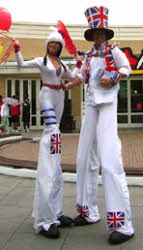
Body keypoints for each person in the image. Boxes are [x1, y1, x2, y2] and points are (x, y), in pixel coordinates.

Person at [65, 5, 134, 245]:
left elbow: (128, 68)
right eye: (95, 33)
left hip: (108, 106)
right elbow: (77, 75)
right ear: (92, 36)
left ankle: (122, 224)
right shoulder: (87, 57)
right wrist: (67, 82)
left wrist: (113, 77)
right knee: (84, 158)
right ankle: (88, 211)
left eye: (102, 33)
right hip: (91, 107)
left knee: (110, 159)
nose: (99, 36)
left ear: (106, 34)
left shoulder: (114, 52)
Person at [13, 29, 81, 238]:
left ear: (60, 47)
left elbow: (76, 78)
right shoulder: (41, 61)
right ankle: (46, 218)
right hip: (46, 96)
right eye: (51, 44)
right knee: (52, 131)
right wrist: (18, 50)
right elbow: (22, 65)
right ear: (47, 45)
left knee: (56, 134)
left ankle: (55, 212)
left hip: (59, 95)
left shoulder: (61, 64)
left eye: (56, 45)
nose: (53, 47)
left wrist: (78, 67)